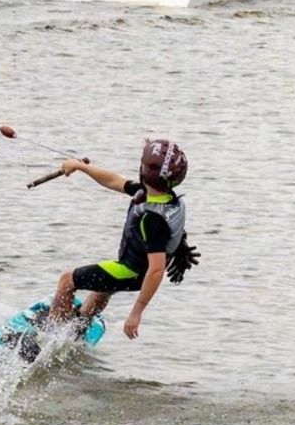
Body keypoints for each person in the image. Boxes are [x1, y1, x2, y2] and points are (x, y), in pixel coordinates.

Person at [48, 138, 200, 340]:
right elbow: (114, 181)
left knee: (67, 281)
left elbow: (156, 270)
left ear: (145, 172)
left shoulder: (152, 219)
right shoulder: (163, 196)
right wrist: (81, 167)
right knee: (104, 286)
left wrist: (136, 313)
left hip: (135, 272)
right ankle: (80, 325)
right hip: (134, 269)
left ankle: (52, 337)